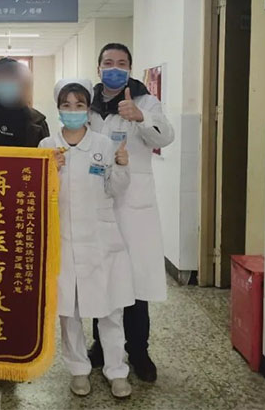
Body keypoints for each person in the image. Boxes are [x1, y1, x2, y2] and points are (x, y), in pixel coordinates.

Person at [40, 79, 134, 399]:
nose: (73, 111)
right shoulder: (47, 145)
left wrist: (122, 167)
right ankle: (78, 370)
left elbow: (115, 189)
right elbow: (35, 195)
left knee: (110, 310)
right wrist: (49, 172)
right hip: (63, 240)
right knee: (69, 311)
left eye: (79, 105)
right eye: (66, 105)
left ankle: (117, 371)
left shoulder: (104, 144)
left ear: (88, 109)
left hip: (100, 239)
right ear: (58, 109)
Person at [86, 43, 175, 383]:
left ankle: (139, 351)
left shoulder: (145, 101)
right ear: (98, 68)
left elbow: (166, 136)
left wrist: (141, 117)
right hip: (98, 201)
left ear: (130, 68)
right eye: (108, 62)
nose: (114, 68)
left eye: (121, 63)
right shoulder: (89, 104)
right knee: (101, 277)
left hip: (134, 207)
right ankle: (100, 346)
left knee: (136, 282)